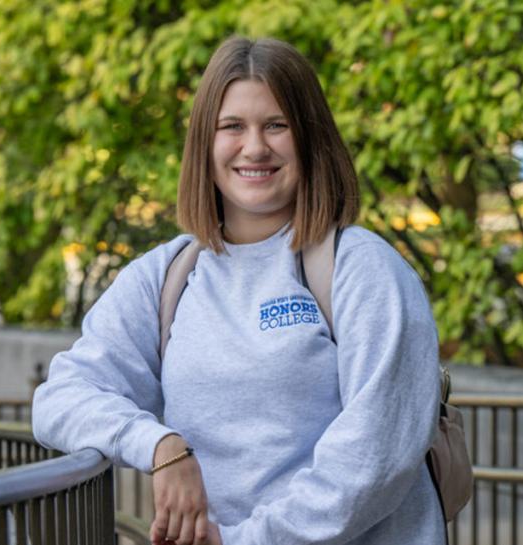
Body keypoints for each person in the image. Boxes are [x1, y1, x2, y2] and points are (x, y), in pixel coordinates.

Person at [32, 36, 446, 545]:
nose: (254, 147)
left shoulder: (364, 270)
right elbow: (59, 399)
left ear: (312, 140)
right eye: (232, 127)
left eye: (276, 125)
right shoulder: (167, 276)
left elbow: (372, 461)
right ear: (205, 143)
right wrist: (161, 445)